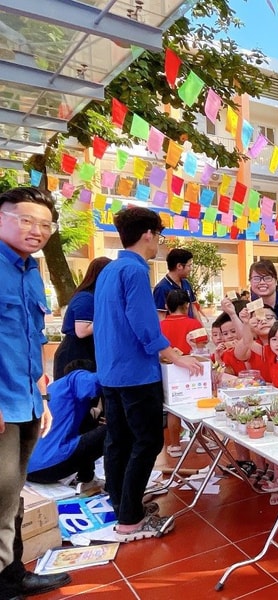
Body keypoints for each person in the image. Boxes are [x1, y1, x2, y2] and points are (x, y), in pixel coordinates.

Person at [94, 206, 202, 542]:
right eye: (159, 236)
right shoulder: (135, 271)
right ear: (147, 235)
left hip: (111, 371)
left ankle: (122, 503)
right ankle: (130, 519)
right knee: (147, 441)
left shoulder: (109, 270)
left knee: (119, 440)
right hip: (136, 374)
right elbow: (144, 322)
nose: (159, 244)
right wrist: (173, 355)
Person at [0, 187, 71, 600]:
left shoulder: (31, 271)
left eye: (45, 224)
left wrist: (40, 397)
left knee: (13, 496)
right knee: (1, 498)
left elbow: (28, 341)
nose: (37, 230)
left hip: (25, 400)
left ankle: (13, 577)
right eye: (26, 219)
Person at [27, 360, 106, 494]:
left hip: (28, 470)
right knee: (114, 429)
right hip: (49, 465)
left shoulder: (53, 389)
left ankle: (87, 478)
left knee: (88, 425)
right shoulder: (75, 378)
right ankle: (106, 484)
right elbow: (100, 381)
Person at [159, 289, 205, 458]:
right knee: (198, 403)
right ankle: (201, 442)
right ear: (186, 306)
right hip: (192, 368)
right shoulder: (194, 324)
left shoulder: (160, 325)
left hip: (168, 370)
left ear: (166, 306)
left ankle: (175, 445)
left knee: (173, 408)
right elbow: (202, 347)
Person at [53, 257, 111, 380]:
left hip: (85, 353)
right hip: (74, 356)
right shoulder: (86, 298)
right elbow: (82, 331)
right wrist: (107, 318)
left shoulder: (93, 297)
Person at [153, 247, 206, 321]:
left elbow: (193, 308)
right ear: (179, 266)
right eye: (189, 265)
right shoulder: (161, 288)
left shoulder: (186, 283)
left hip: (189, 329)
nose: (191, 269)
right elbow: (161, 317)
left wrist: (201, 330)